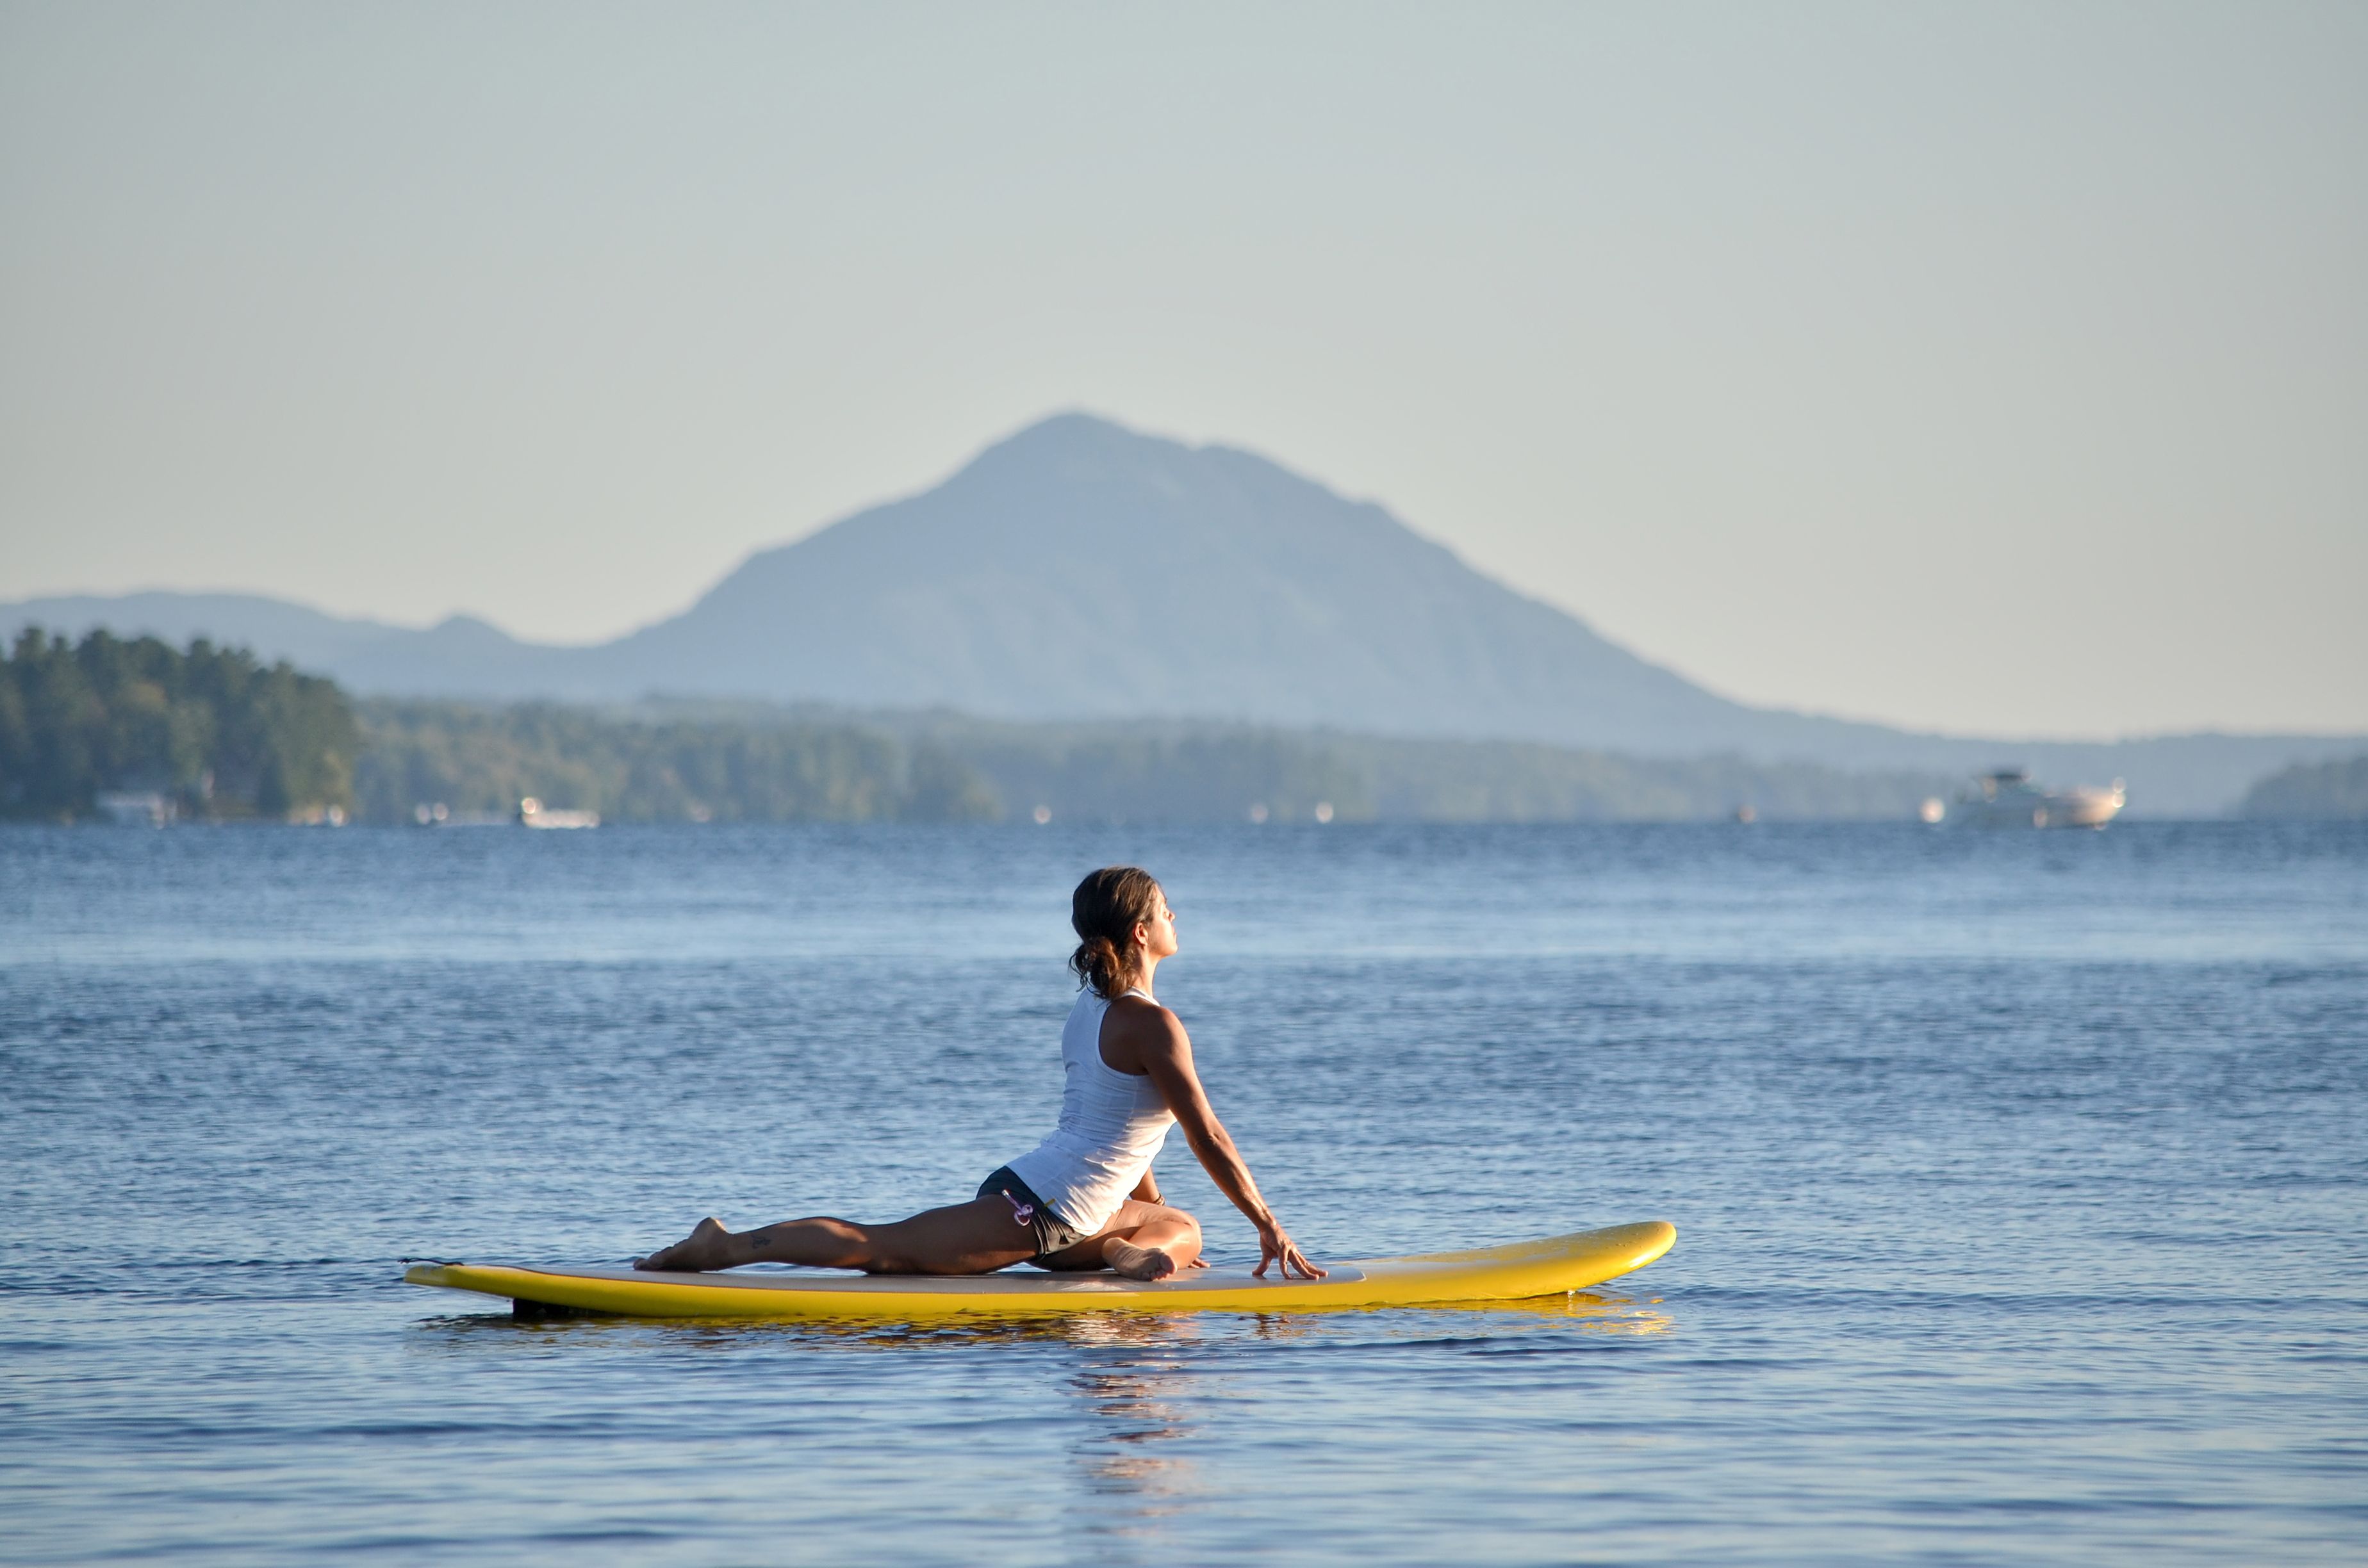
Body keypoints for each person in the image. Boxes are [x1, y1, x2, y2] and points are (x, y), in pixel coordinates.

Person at [634, 866, 1324, 1283]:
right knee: (886, 1251)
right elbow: (1207, 1134)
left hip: (1039, 1191)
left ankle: (1124, 1248)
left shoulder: (1090, 1008)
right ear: (1142, 933)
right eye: (1164, 908)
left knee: (1182, 1226)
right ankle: (724, 1247)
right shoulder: (1155, 1024)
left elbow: (1122, 1133)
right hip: (1044, 1215)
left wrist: (1148, 1209)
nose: (1175, 916)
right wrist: (1269, 1225)